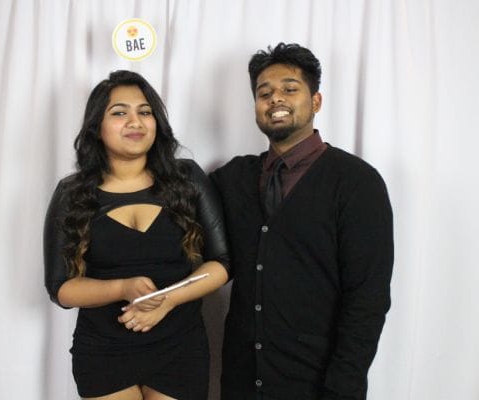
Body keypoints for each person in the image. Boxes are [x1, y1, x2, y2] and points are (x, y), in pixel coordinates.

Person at [210, 43, 394, 400]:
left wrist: (342, 388)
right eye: (264, 93)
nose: (276, 99)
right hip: (241, 381)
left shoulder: (356, 182)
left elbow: (368, 299)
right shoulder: (234, 178)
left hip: (318, 384)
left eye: (290, 89)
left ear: (316, 101)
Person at [44, 70, 230, 400]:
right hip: (104, 352)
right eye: (119, 113)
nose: (135, 121)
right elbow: (61, 288)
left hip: (180, 348)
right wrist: (123, 288)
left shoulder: (186, 179)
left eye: (145, 112)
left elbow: (222, 263)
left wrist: (168, 300)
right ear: (96, 127)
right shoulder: (73, 193)